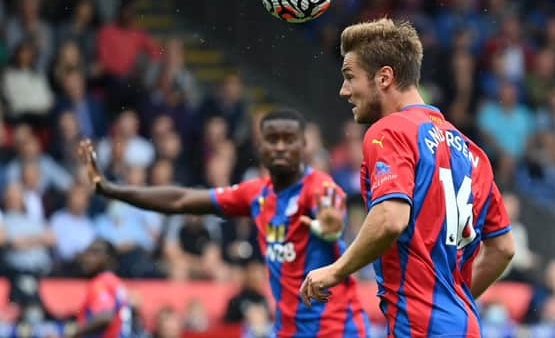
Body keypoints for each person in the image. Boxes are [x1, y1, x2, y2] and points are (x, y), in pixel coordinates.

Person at [300, 18, 515, 337]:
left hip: (419, 327)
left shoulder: (389, 131)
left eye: (349, 77)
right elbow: (504, 249)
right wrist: (454, 302)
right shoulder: (473, 153)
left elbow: (390, 219)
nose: (344, 91)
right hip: (463, 326)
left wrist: (335, 271)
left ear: (384, 77)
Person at [77, 108, 369, 338]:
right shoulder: (256, 194)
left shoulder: (319, 186)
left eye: (289, 139)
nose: (280, 146)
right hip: (289, 331)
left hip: (337, 330)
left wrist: (329, 223)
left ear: (303, 146)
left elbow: (331, 213)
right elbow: (181, 199)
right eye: (272, 139)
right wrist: (111, 188)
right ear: (261, 146)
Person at [67, 239, 132, 338]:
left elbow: (106, 316)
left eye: (95, 253)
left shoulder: (101, 282)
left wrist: (74, 332)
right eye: (87, 252)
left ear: (109, 259)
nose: (87, 258)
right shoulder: (115, 282)